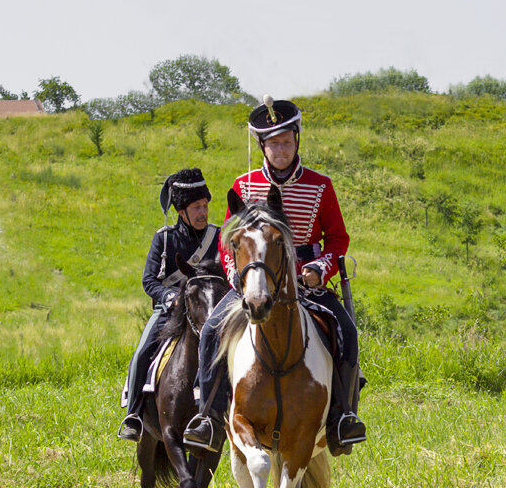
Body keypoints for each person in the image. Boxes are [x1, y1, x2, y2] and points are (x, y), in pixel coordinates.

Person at [182, 98, 366, 456]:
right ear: (262, 147)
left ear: (297, 141)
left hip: (306, 285)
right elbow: (228, 242)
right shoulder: (243, 185)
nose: (280, 149)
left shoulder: (320, 186)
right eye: (272, 143)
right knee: (209, 332)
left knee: (346, 331)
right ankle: (208, 416)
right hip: (254, 283)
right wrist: (236, 275)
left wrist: (319, 270)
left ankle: (343, 417)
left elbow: (338, 239)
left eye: (286, 142)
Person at [117, 168, 220, 440]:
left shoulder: (218, 237)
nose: (203, 212)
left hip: (210, 311)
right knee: (141, 352)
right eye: (196, 207)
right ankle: (134, 414)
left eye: (205, 206)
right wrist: (168, 297)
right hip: (171, 311)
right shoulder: (164, 238)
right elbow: (149, 280)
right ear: (181, 211)